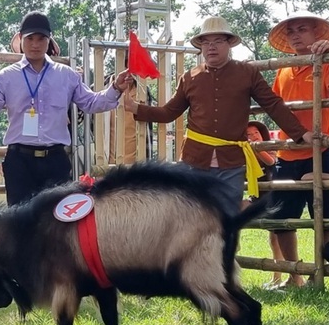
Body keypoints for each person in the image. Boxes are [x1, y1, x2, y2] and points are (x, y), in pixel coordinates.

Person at [123, 16, 313, 212]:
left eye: (218, 41)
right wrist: (138, 108)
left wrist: (301, 133)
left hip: (231, 162)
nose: (211, 47)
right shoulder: (189, 77)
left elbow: (272, 104)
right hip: (194, 160)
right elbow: (169, 112)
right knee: (191, 218)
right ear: (201, 47)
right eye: (206, 42)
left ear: (229, 44)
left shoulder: (247, 73)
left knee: (228, 218)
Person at [0, 11, 132, 206]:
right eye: (30, 38)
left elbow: (91, 102)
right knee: (20, 223)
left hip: (55, 160)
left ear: (49, 41)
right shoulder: (5, 77)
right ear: (21, 39)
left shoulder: (66, 75)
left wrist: (115, 88)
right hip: (20, 160)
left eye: (41, 38)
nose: (35, 44)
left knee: (58, 222)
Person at [267, 13, 329, 287]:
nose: (295, 35)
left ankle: (322, 274)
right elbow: (276, 107)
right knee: (280, 219)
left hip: (321, 151)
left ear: (317, 34)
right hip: (287, 152)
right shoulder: (283, 68)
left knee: (323, 218)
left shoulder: (328, 62)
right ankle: (295, 276)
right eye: (290, 32)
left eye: (302, 29)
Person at [243, 121, 284, 288]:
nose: (253, 137)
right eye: (248, 135)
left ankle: (278, 277)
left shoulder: (270, 147)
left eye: (255, 134)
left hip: (273, 197)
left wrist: (254, 147)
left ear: (262, 134)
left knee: (275, 240)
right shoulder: (243, 152)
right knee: (233, 211)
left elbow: (270, 162)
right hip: (256, 197)